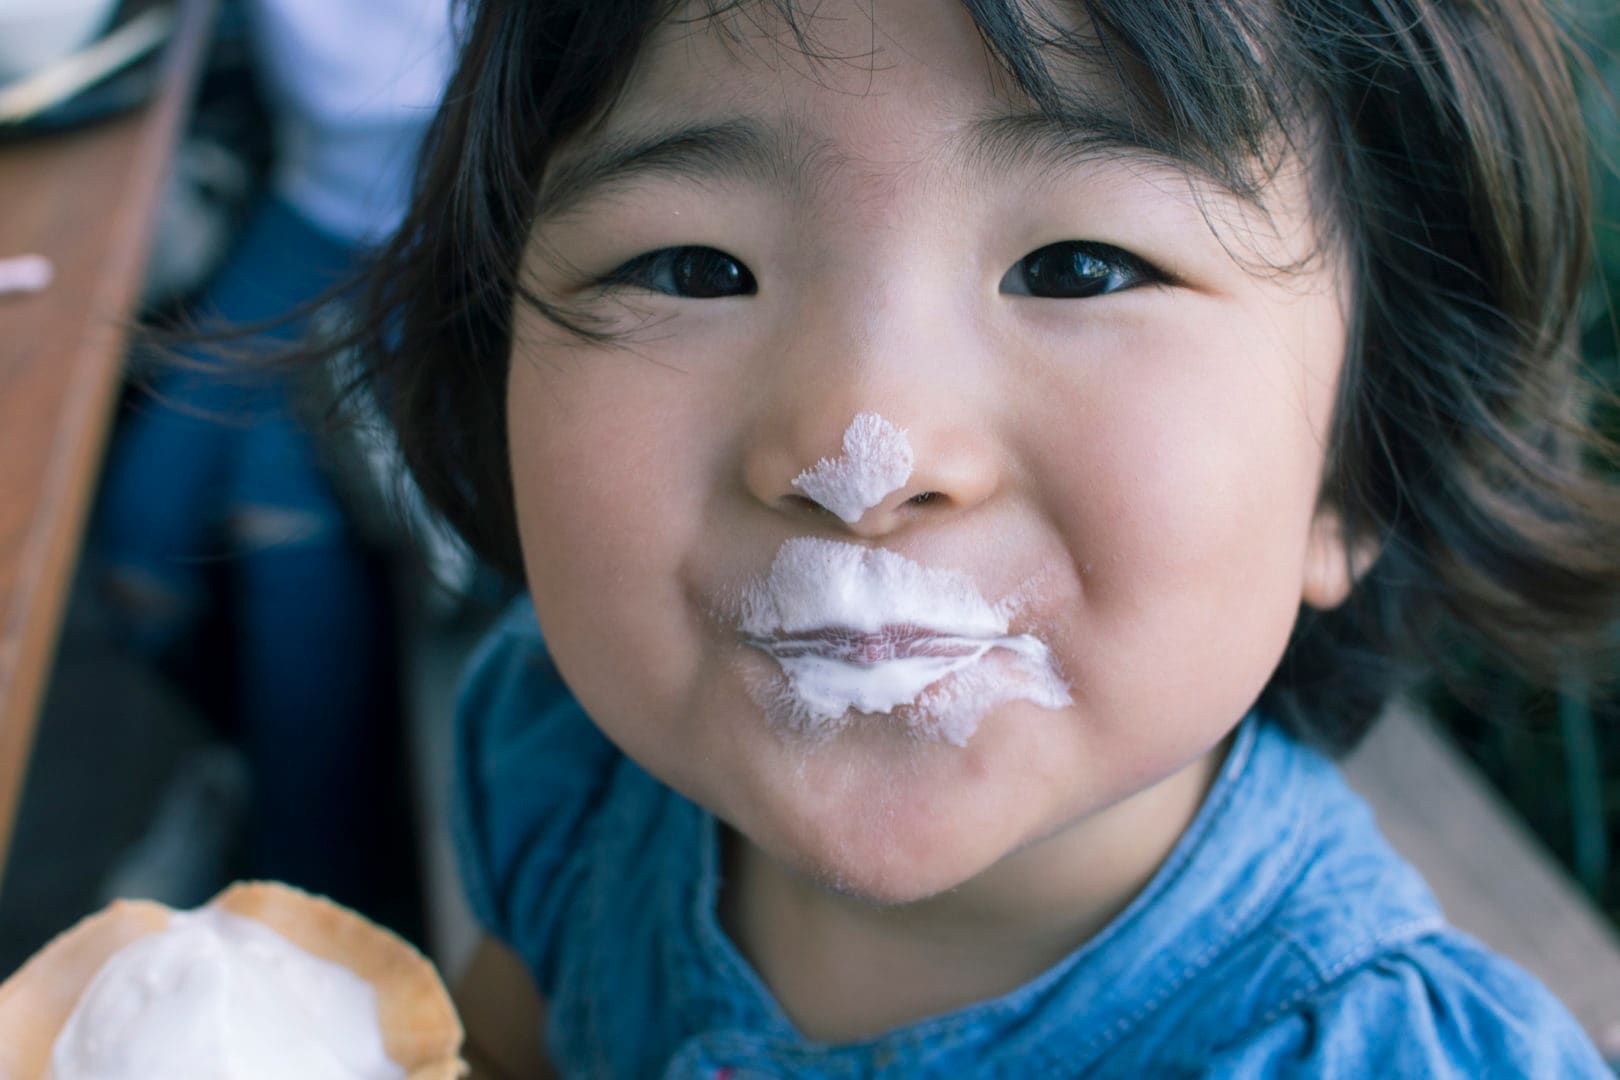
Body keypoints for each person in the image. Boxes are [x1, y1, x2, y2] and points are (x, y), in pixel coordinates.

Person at [328, 0, 1620, 1073]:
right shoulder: (565, 768)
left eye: (1078, 268)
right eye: (694, 268)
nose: (857, 454)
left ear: (1357, 466)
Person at [92, 0, 454, 920]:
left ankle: (311, 891)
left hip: (443, 231)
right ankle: (230, 770)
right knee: (140, 529)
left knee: (281, 521)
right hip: (306, 223)